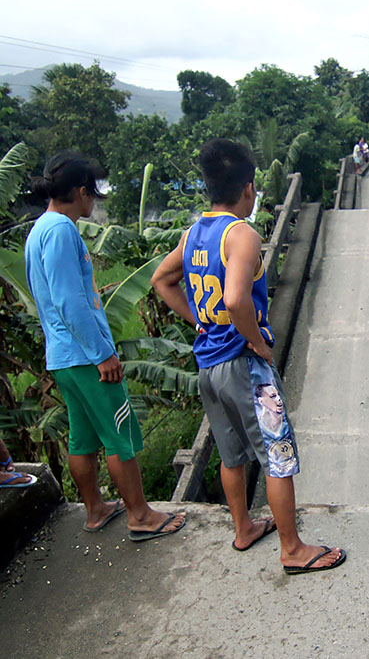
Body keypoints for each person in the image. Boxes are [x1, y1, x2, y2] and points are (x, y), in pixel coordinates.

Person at [152, 139, 345, 574]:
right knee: (277, 455)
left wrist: (200, 321)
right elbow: (238, 298)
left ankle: (243, 528)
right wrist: (258, 341)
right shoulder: (242, 234)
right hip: (244, 365)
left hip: (208, 365)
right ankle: (292, 549)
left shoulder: (196, 231)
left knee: (231, 453)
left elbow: (162, 280)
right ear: (248, 187)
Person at [25, 153, 186, 539]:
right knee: (119, 435)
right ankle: (140, 516)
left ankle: (96, 509)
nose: (92, 202)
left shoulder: (38, 229)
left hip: (62, 357)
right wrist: (103, 355)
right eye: (92, 194)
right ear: (81, 192)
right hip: (85, 355)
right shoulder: (62, 230)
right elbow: (70, 302)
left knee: (82, 437)